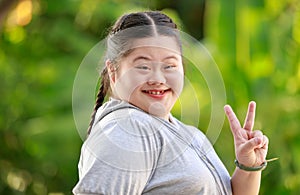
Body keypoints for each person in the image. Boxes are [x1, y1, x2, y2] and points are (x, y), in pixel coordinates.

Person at [73, 11, 269, 195]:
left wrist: (248, 167)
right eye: (143, 66)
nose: (158, 78)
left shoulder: (189, 133)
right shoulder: (126, 129)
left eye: (169, 65)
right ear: (113, 71)